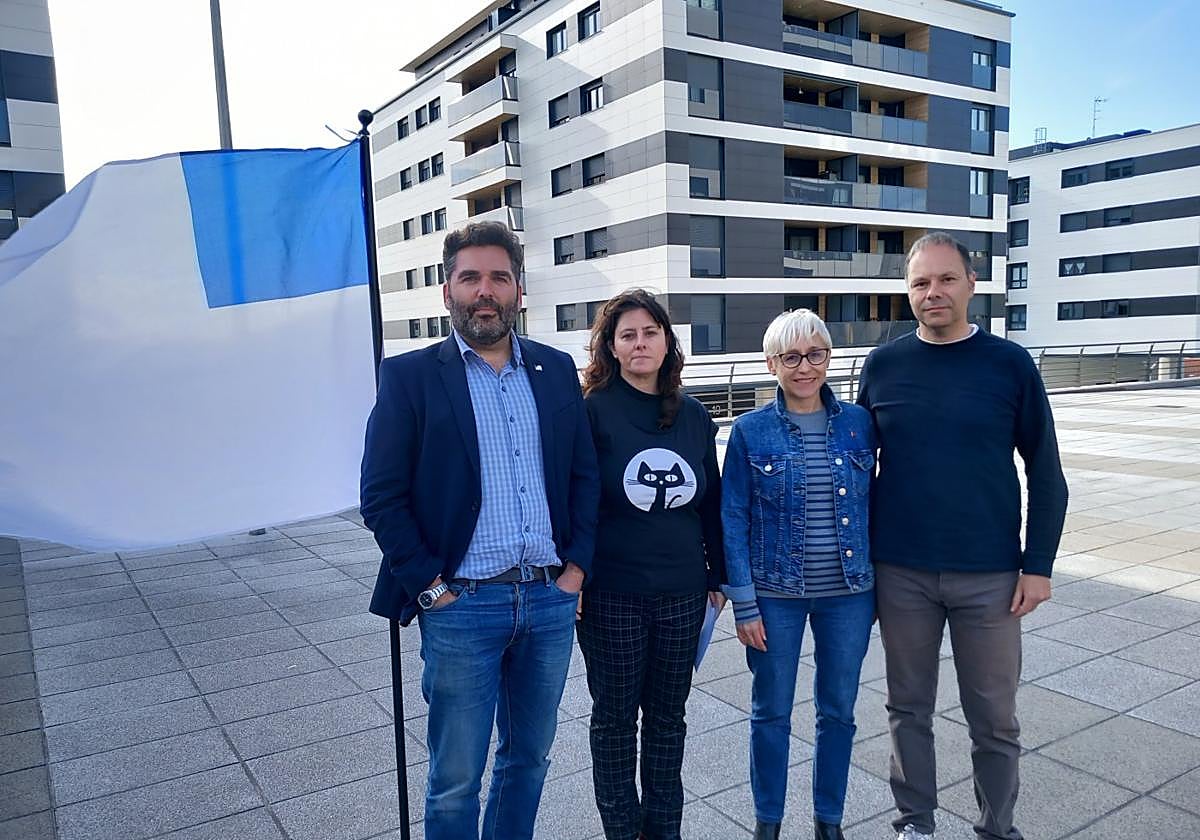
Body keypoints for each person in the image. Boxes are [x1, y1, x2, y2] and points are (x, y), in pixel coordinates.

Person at [360, 220, 600, 840]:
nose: (484, 290)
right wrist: (430, 587)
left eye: (499, 276)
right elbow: (381, 496)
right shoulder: (410, 377)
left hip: (548, 601)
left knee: (528, 760)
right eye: (470, 277)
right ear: (447, 291)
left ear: (520, 289)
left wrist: (574, 570)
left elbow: (583, 476)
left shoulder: (554, 369)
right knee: (456, 779)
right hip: (461, 603)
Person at [857, 231, 1068, 840]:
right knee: (906, 709)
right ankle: (914, 824)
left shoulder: (1009, 364)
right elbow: (854, 462)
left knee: (995, 719)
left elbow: (1046, 472)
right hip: (901, 571)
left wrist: (1040, 564)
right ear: (907, 292)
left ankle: (997, 829)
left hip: (992, 576)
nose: (933, 293)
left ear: (972, 284)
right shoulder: (884, 363)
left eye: (946, 279)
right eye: (920, 283)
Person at [721, 309, 877, 840]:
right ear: (772, 365)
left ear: (829, 357)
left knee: (838, 711)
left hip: (850, 595)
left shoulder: (859, 423)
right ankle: (769, 820)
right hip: (774, 596)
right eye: (791, 357)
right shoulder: (750, 430)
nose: (805, 367)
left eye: (816, 354)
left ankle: (828, 820)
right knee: (771, 713)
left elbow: (877, 505)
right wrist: (743, 603)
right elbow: (732, 517)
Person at [576, 289, 726, 840]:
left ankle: (664, 829)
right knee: (615, 721)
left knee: (668, 720)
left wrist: (718, 576)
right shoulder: (591, 411)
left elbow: (710, 499)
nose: (640, 343)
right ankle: (621, 829)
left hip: (683, 593)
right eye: (627, 335)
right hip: (612, 591)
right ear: (612, 348)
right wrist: (577, 575)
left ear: (667, 341)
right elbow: (577, 498)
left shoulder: (691, 416)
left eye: (650, 332)